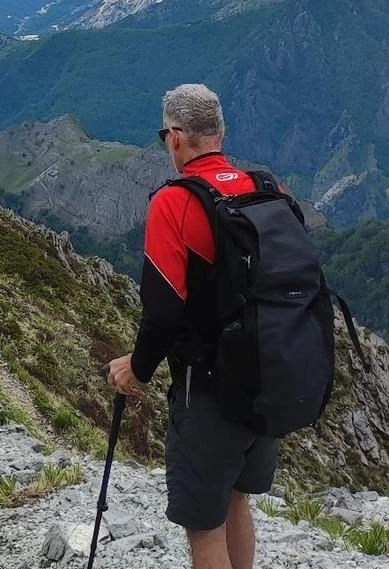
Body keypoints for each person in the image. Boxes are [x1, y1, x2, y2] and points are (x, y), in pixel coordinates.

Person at [106, 84, 281, 569]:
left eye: (166, 134)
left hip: (208, 390)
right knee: (237, 500)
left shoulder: (175, 203)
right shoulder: (266, 189)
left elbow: (163, 313)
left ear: (177, 137)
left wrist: (136, 370)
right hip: (269, 378)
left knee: (204, 528)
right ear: (220, 133)